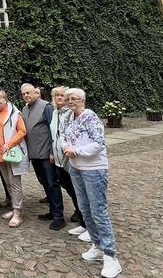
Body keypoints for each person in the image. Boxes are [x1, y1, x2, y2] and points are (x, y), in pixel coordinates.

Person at [61, 88, 122, 278]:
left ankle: (111, 256)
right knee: (85, 209)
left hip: (94, 169)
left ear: (83, 100)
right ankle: (96, 245)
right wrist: (66, 148)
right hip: (75, 168)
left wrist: (76, 152)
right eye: (68, 98)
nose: (71, 101)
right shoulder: (68, 118)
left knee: (98, 210)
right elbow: (62, 136)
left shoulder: (90, 117)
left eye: (75, 98)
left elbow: (98, 143)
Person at [21, 83, 66, 230]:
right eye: (23, 94)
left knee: (52, 183)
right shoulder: (25, 109)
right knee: (44, 182)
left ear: (35, 93)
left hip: (46, 153)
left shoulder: (45, 106)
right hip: (34, 154)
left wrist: (52, 151)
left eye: (29, 93)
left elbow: (53, 129)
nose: (26, 95)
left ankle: (59, 216)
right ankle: (52, 211)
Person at [50, 86, 88, 241]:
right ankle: (81, 216)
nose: (60, 98)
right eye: (57, 95)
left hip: (70, 158)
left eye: (62, 96)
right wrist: (52, 152)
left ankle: (85, 220)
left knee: (78, 190)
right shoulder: (54, 113)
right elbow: (55, 135)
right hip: (59, 160)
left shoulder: (71, 113)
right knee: (71, 190)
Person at [0, 90, 28, 228]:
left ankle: (18, 212)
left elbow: (22, 131)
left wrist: (8, 144)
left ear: (5, 99)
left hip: (12, 153)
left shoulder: (14, 113)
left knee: (15, 183)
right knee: (8, 183)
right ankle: (14, 207)